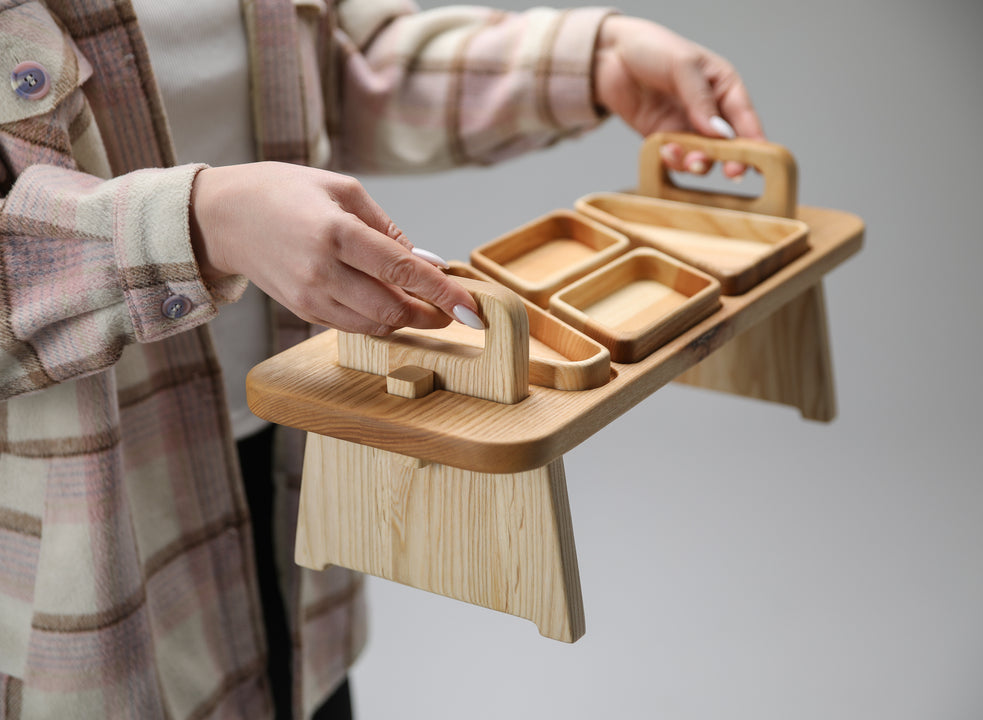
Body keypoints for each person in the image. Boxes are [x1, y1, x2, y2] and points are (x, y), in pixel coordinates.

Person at [0, 0, 763, 718]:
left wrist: (592, 59)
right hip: (79, 531)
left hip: (291, 464)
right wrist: (199, 225)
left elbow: (346, 66)